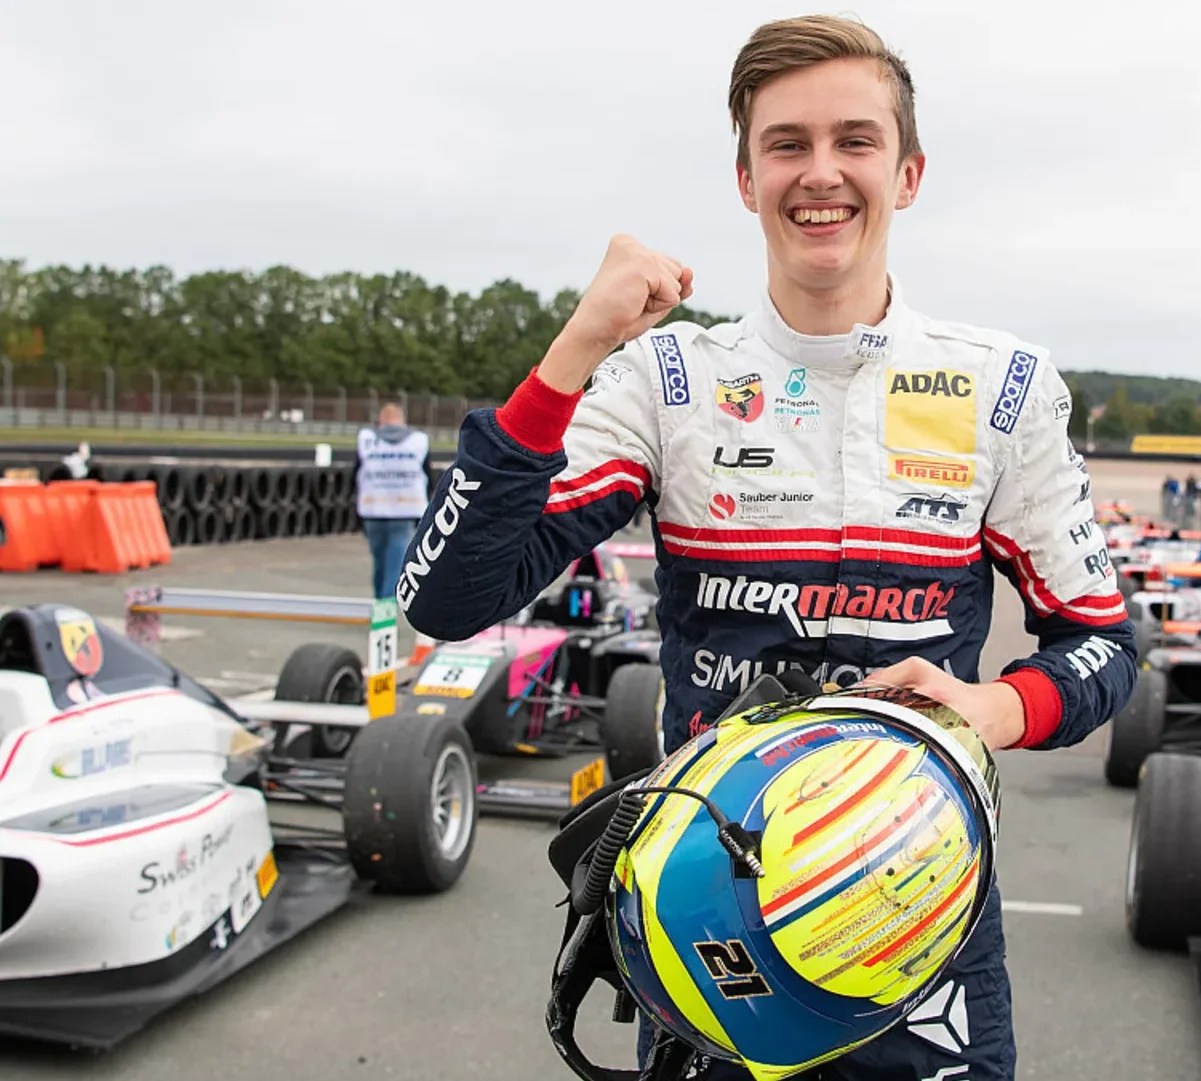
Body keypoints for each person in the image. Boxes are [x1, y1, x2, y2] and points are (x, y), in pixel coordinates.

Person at [397, 14, 1135, 1080]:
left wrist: (997, 706)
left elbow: (1104, 646)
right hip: (704, 919)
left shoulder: (1000, 388)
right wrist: (575, 348)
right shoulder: (668, 381)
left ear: (909, 172)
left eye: (856, 141)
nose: (820, 173)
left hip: (914, 909)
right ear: (746, 179)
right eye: (786, 144)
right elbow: (450, 597)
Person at [352, 401, 430, 599]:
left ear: (380, 421)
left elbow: (356, 475)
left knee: (380, 563)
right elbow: (428, 476)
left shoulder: (367, 440)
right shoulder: (418, 442)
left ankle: (380, 604)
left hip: (373, 508)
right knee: (395, 564)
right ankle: (384, 613)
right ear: (402, 421)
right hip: (405, 510)